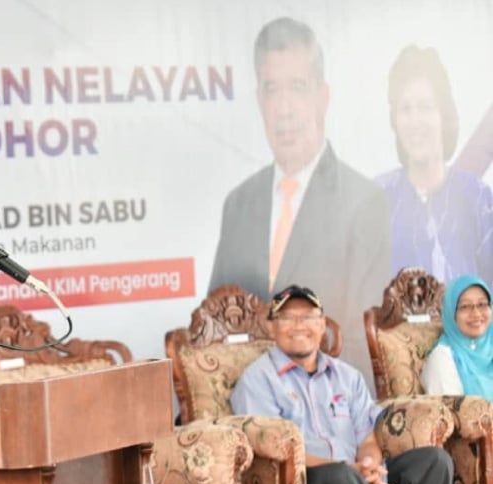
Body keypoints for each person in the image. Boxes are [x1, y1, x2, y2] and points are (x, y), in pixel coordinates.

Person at [230, 285, 452, 484]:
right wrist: (350, 471)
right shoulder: (258, 380)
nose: (299, 326)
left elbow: (366, 438)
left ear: (322, 325)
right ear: (271, 326)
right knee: (342, 479)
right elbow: (270, 449)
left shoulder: (347, 376)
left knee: (434, 463)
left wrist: (371, 467)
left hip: (352, 473)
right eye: (287, 318)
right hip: (302, 479)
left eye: (308, 317)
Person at [208, 16, 391, 389]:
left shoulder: (364, 202)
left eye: (297, 87)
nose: (284, 107)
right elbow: (212, 329)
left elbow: (362, 345)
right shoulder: (238, 205)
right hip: (244, 421)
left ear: (322, 97)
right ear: (259, 101)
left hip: (327, 420)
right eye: (272, 89)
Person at [376, 45, 493, 284]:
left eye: (426, 107)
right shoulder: (376, 202)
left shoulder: (479, 201)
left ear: (444, 114)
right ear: (394, 121)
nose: (415, 121)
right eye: (405, 109)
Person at [421, 274, 492, 398]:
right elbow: (450, 413)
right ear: (451, 314)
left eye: (482, 304)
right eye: (465, 307)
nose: (476, 313)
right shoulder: (442, 358)